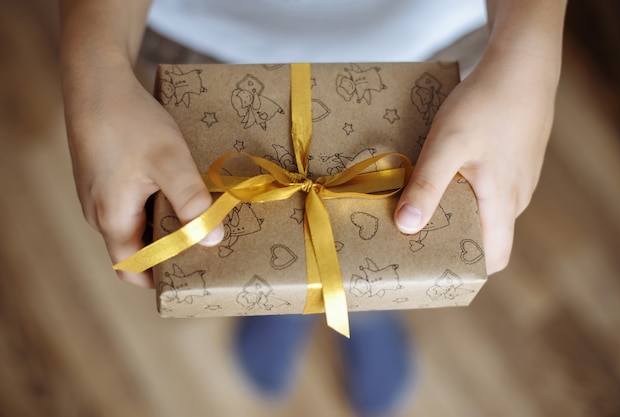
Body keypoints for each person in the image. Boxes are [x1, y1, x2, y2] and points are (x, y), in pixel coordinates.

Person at [58, 0, 567, 415]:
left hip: (440, 34)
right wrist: (95, 65)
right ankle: (285, 298)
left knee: (402, 231)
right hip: (202, 37)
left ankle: (364, 309)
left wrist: (531, 48)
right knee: (292, 246)